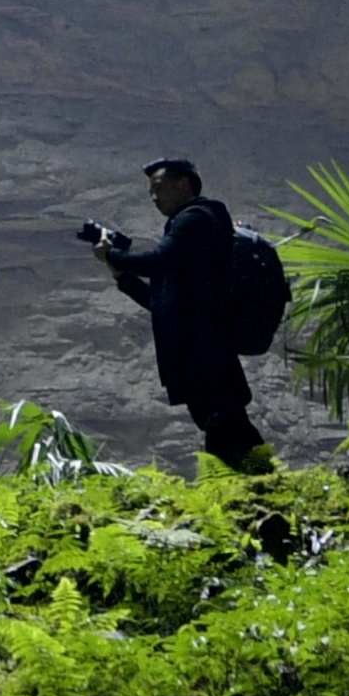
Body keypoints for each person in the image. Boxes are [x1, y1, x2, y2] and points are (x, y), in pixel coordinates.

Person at [88, 155, 275, 471]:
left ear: (184, 184)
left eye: (159, 187)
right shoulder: (188, 232)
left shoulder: (197, 218)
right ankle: (264, 488)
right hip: (200, 354)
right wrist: (119, 272)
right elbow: (159, 302)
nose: (154, 197)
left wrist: (116, 255)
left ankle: (259, 491)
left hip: (206, 352)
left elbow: (160, 259)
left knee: (223, 426)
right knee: (225, 426)